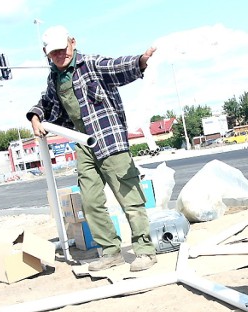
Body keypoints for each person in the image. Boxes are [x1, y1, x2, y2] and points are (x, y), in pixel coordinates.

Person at [27, 25, 158, 272]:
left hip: (109, 141)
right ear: (46, 53)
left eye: (62, 49)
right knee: (90, 201)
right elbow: (47, 102)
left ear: (72, 43)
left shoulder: (92, 65)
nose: (59, 55)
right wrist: (35, 116)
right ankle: (110, 251)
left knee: (129, 198)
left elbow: (118, 67)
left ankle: (145, 250)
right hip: (83, 144)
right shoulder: (54, 77)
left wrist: (140, 62)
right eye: (53, 52)